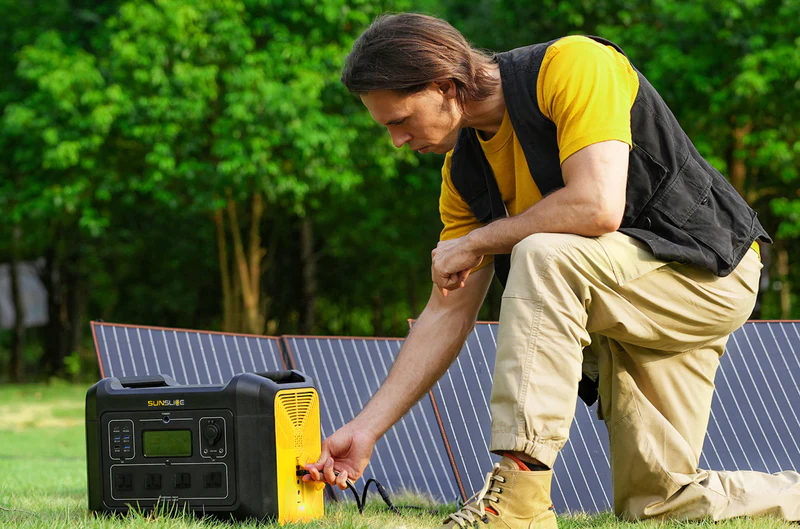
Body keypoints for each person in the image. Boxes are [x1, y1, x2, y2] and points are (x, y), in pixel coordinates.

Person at [302, 13, 800, 528]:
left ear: (445, 86)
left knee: (543, 254)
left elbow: (596, 205)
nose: (398, 142)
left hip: (707, 272)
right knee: (658, 505)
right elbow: (445, 314)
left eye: (399, 121)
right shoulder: (464, 175)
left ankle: (518, 497)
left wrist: (476, 241)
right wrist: (366, 429)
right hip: (631, 309)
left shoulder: (572, 65)